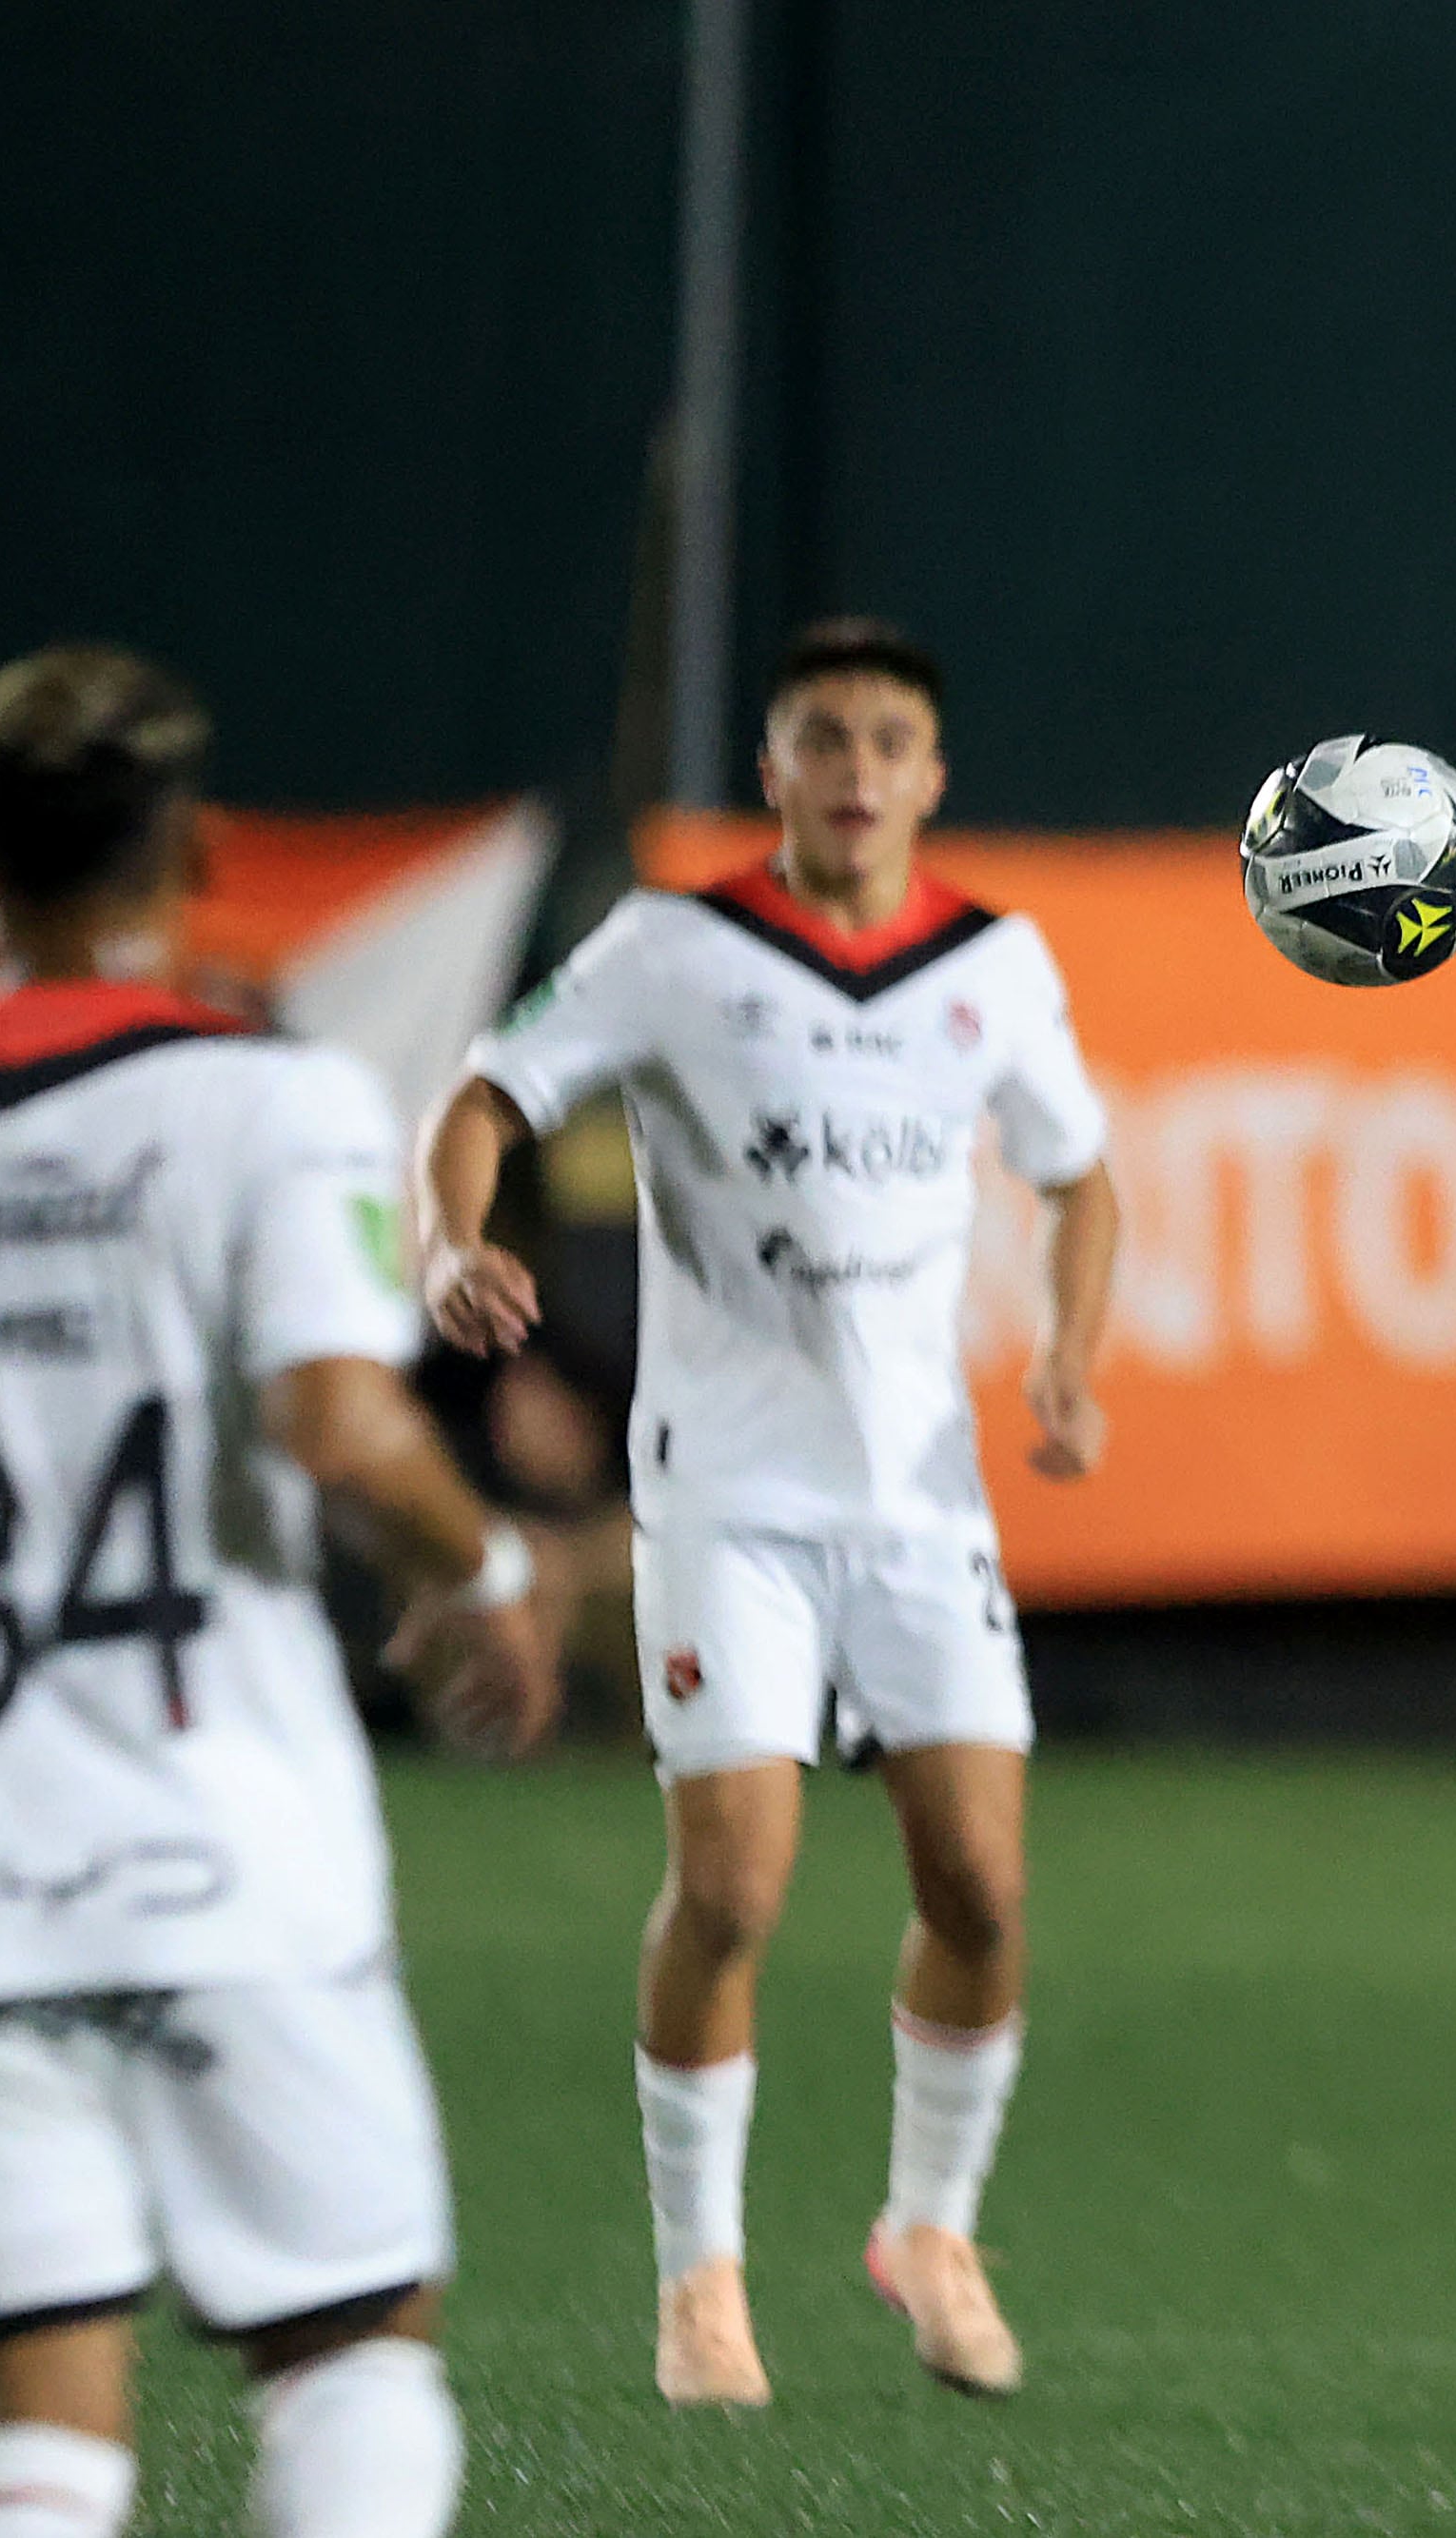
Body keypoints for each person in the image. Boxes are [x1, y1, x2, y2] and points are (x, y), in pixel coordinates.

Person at [0, 647, 560, 2538]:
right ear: (195, 850)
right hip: (227, 1858)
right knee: (350, 2355)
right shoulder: (273, 1103)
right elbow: (335, 1421)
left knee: (39, 2450)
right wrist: (483, 1564)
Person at [416, 618, 1120, 2406]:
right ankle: (699, 2279)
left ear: (933, 774)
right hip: (728, 1499)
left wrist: (1067, 1356)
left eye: (891, 737)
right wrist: (450, 1236)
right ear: (777, 768)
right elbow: (487, 1095)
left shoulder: (993, 965)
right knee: (730, 1888)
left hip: (921, 1505)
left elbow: (1079, 1168)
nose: (859, 768)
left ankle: (929, 2229)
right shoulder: (675, 949)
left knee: (982, 1883)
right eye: (824, 735)